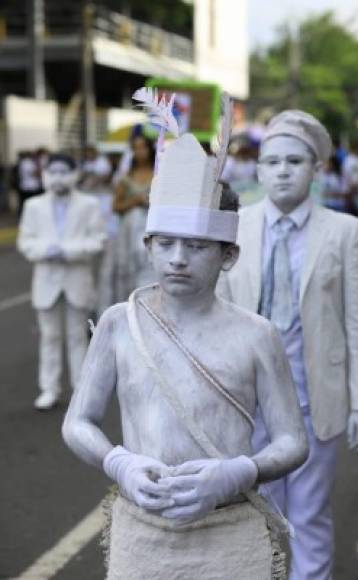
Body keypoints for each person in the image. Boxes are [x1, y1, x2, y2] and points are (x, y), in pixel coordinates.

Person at [62, 95, 308, 580]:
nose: (177, 259)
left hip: (231, 528)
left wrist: (242, 471)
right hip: (141, 529)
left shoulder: (257, 335)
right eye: (166, 244)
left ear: (228, 256)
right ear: (147, 245)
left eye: (196, 247)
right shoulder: (118, 321)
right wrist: (119, 463)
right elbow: (77, 423)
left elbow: (292, 441)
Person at [219, 110, 358, 580]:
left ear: (317, 170)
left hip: (314, 397)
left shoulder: (342, 231)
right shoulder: (236, 227)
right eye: (272, 162)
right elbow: (217, 314)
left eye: (295, 161)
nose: (283, 171)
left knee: (309, 515)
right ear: (258, 169)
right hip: (248, 400)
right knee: (257, 514)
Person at [17, 153, 107, 410]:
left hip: (77, 279)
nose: (58, 177)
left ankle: (81, 391)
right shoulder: (33, 205)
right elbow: (25, 242)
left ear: (74, 173)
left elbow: (98, 240)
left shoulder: (89, 204)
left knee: (78, 336)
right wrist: (46, 251)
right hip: (46, 281)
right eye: (52, 171)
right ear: (45, 174)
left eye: (63, 171)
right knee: (49, 337)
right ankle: (49, 389)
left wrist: (68, 250)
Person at [113, 134, 156, 300]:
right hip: (130, 230)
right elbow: (115, 206)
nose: (140, 152)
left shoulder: (159, 173)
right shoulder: (126, 178)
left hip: (153, 227)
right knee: (129, 268)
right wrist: (135, 201)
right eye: (135, 148)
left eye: (143, 147)